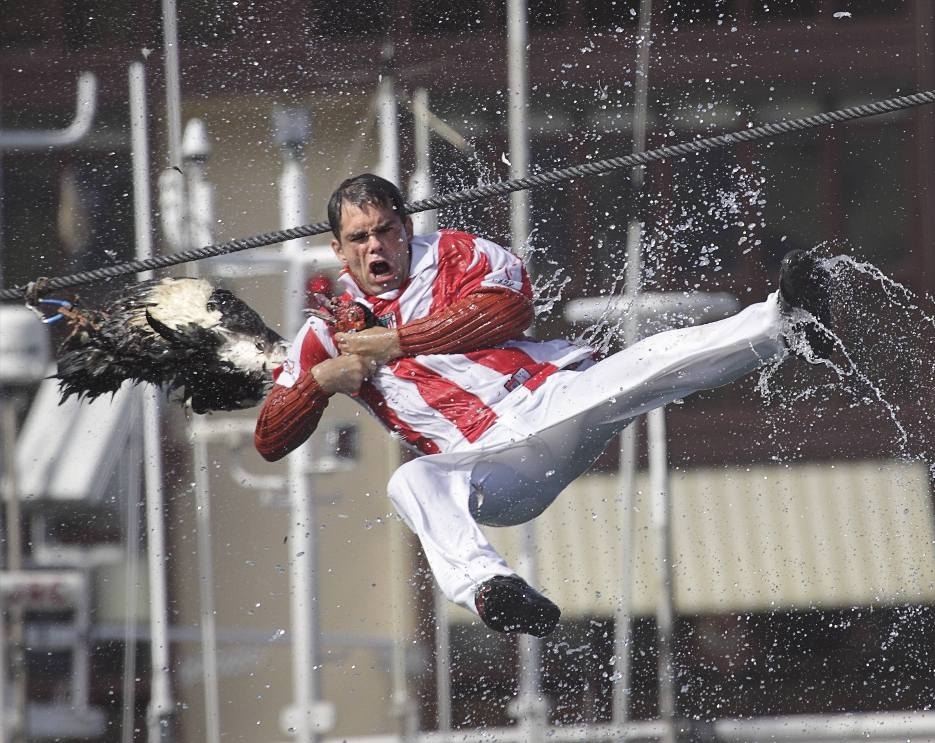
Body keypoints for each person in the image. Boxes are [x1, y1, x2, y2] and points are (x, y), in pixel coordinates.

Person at [254, 173, 833, 637]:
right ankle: (491, 589)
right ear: (337, 249)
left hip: (551, 398)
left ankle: (786, 323)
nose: (375, 247)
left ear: (407, 228)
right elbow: (270, 440)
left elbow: (510, 311)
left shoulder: (455, 253)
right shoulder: (326, 329)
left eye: (385, 231)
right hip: (493, 467)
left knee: (644, 364)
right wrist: (320, 383)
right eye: (359, 238)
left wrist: (397, 342)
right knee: (411, 484)